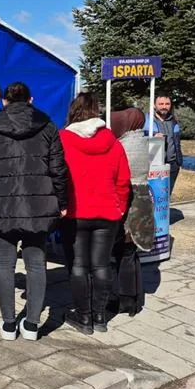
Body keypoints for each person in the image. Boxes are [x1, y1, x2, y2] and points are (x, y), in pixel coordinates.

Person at [0, 82, 68, 341]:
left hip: (1, 203)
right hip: (38, 205)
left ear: (4, 102)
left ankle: (9, 324)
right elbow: (59, 169)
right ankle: (33, 325)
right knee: (36, 264)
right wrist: (62, 201)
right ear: (31, 100)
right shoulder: (47, 126)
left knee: (4, 263)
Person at [60, 93, 131, 335]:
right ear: (97, 112)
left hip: (75, 211)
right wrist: (120, 206)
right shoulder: (114, 142)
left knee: (78, 265)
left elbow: (57, 176)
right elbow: (123, 180)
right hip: (108, 211)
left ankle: (84, 316)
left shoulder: (63, 140)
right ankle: (100, 317)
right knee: (101, 265)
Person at [110, 108, 154, 316]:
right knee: (131, 252)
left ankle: (124, 298)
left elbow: (120, 175)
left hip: (130, 200)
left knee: (124, 251)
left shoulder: (126, 145)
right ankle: (135, 297)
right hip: (141, 198)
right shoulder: (142, 141)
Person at [144, 94, 183, 196]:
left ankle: (165, 212)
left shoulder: (174, 121)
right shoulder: (146, 120)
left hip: (172, 165)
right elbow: (139, 139)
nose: (164, 106)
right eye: (161, 104)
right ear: (154, 105)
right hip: (153, 165)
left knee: (166, 196)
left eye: (167, 104)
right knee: (153, 196)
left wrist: (178, 162)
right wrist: (152, 136)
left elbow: (177, 143)